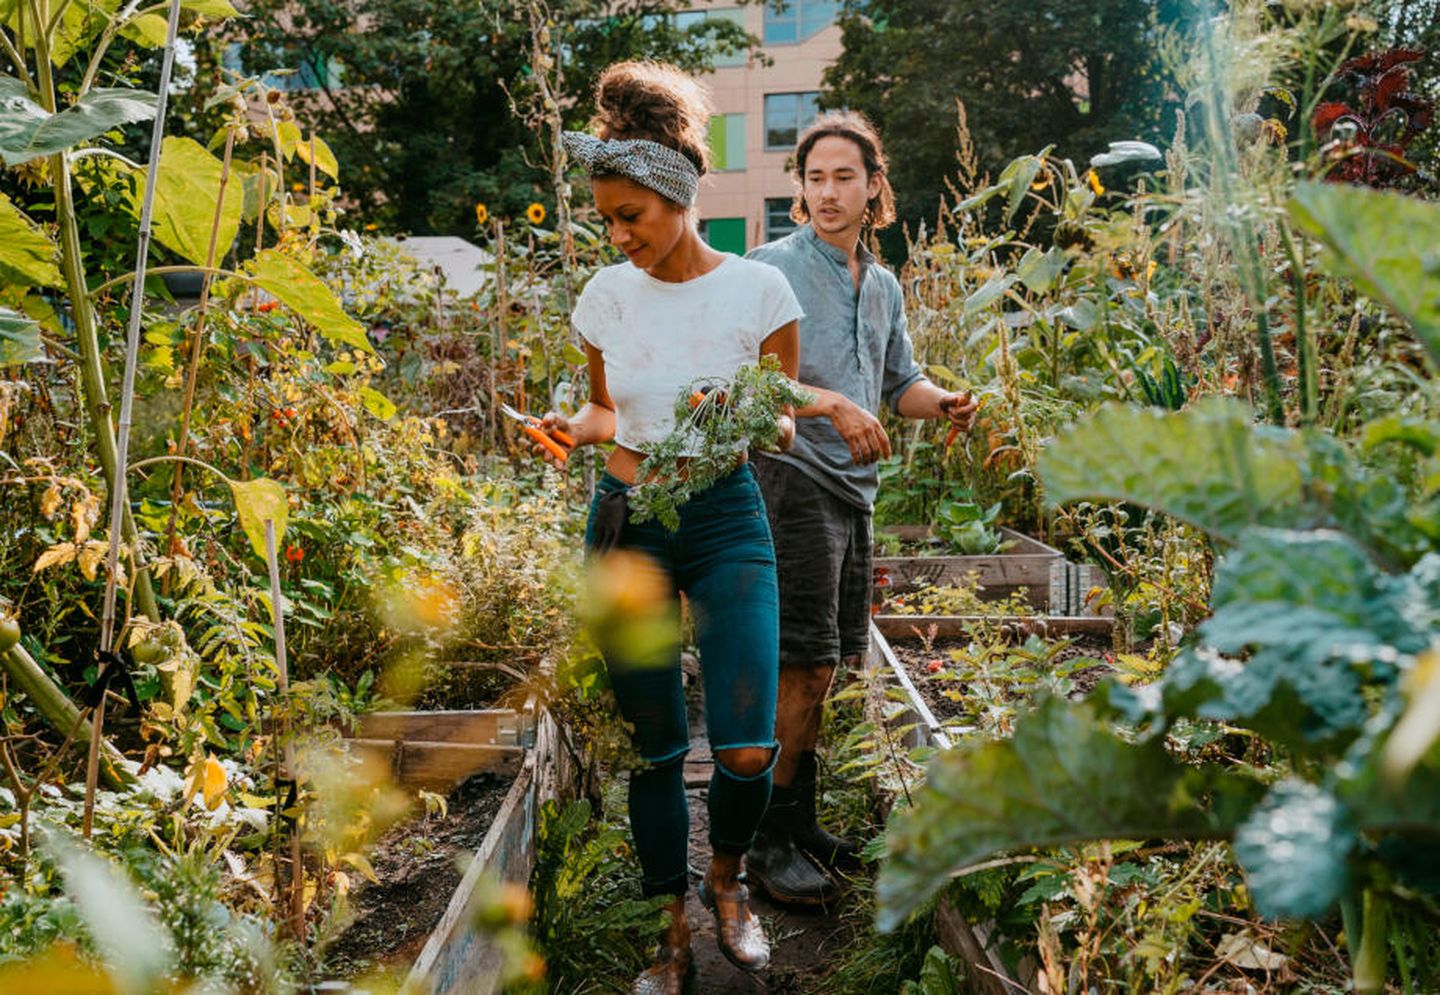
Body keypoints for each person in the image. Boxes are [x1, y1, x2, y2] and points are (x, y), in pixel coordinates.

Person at [535, 62, 803, 994]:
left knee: (742, 744)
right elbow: (609, 413)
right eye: (606, 218)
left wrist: (729, 409)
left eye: (630, 217)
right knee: (653, 744)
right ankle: (669, 929)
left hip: (726, 514)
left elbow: (779, 417)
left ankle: (728, 880)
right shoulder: (608, 295)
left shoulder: (760, 294)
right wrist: (575, 424)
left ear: (678, 199)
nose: (617, 235)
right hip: (627, 522)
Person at [744, 110, 978, 906]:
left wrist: (939, 401)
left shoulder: (881, 284)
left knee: (827, 661)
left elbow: (896, 384)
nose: (829, 192)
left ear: (874, 185)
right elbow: (745, 380)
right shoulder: (770, 268)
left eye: (845, 177)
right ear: (800, 190)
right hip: (791, 478)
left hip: (852, 491)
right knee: (799, 660)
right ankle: (764, 843)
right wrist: (831, 405)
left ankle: (799, 822)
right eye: (815, 178)